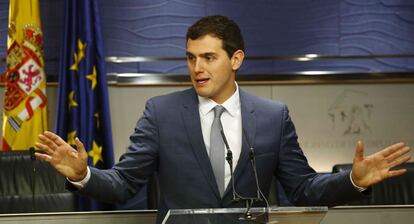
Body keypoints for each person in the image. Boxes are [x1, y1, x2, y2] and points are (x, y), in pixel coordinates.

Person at [35, 15, 411, 223]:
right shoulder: (160, 113)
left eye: (208, 57)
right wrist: (81, 173)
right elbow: (123, 184)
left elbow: (303, 189)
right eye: (190, 57)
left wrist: (353, 181)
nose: (197, 68)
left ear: (236, 60)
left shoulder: (272, 117)